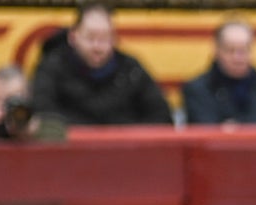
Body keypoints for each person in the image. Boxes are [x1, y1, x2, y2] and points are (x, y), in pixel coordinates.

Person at [29, 1, 172, 126]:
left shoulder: (131, 70)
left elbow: (161, 116)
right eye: (90, 38)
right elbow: (42, 114)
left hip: (124, 153)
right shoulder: (52, 68)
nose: (97, 47)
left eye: (104, 38)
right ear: (73, 37)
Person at [182, 20, 256, 126]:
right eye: (230, 50)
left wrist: (233, 127)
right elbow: (205, 129)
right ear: (216, 50)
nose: (238, 58)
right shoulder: (198, 89)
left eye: (244, 50)